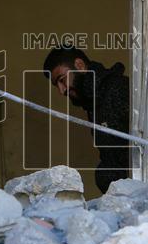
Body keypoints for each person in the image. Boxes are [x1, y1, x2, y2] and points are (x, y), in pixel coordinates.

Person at [43, 45, 130, 193]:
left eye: (62, 80)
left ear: (80, 65)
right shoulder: (94, 102)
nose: (61, 90)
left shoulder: (118, 89)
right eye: (56, 85)